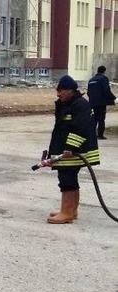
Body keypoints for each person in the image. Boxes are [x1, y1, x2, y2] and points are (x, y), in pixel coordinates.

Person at [42, 75, 100, 224]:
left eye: (61, 91)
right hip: (68, 151)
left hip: (73, 152)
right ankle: (71, 211)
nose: (58, 94)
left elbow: (80, 128)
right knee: (70, 179)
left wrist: (70, 148)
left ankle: (66, 212)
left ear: (70, 91)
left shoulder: (79, 105)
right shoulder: (69, 104)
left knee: (67, 179)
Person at [86, 65, 116, 140]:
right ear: (104, 71)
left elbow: (88, 92)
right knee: (101, 119)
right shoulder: (104, 78)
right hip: (101, 103)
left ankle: (92, 135)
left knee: (94, 119)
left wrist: (92, 99)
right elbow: (106, 90)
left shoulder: (91, 79)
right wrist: (113, 98)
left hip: (92, 103)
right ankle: (100, 135)